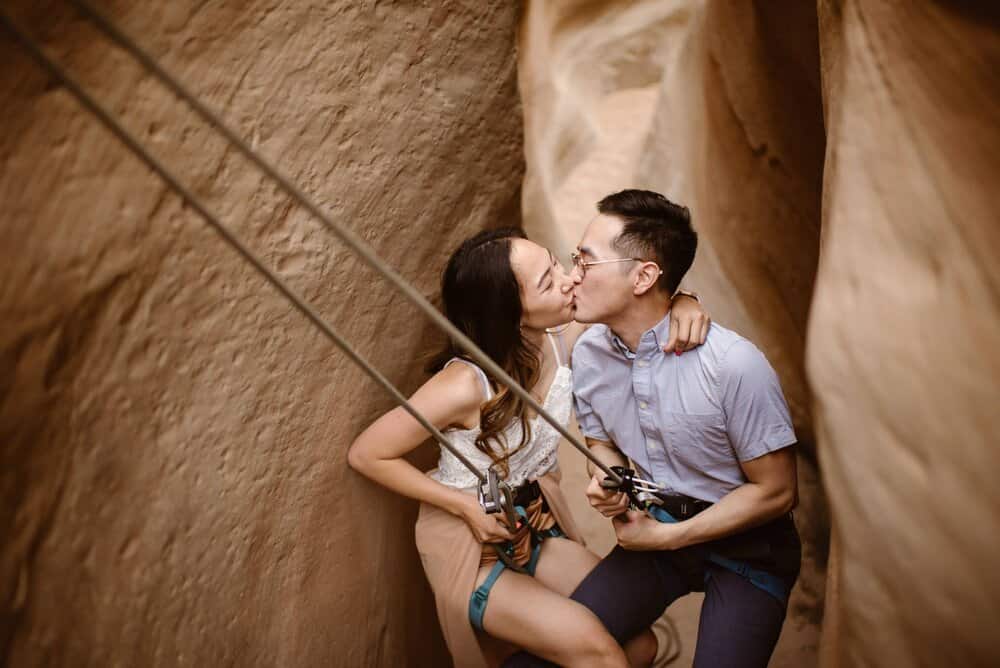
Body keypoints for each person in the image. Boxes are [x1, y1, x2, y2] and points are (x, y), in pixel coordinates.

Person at [347, 227, 710, 667]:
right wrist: (465, 508)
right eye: (547, 282)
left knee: (641, 646)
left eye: (555, 264)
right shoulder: (464, 385)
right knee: (601, 655)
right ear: (512, 314)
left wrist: (683, 301)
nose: (568, 280)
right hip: (472, 549)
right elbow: (368, 453)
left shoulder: (560, 341)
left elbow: (633, 304)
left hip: (532, 530)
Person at [504, 190, 801, 668]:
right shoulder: (589, 355)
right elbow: (601, 441)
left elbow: (777, 492)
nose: (573, 275)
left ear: (643, 276)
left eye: (586, 260)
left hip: (749, 549)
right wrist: (609, 479)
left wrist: (666, 538)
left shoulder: (734, 365)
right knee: (546, 658)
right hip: (657, 530)